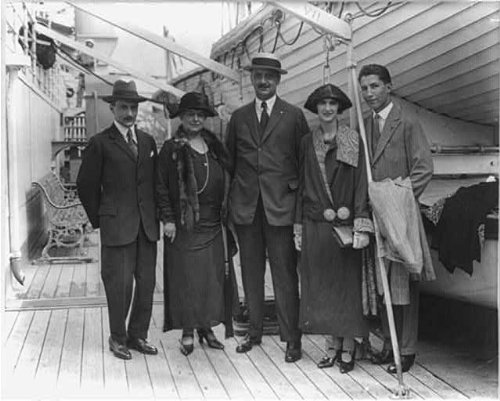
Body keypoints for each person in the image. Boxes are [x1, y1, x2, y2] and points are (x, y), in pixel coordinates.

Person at [225, 52, 309, 362]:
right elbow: (230, 164)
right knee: (251, 272)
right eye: (258, 75)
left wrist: (299, 211)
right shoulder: (239, 118)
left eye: (269, 77)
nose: (263, 81)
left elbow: (303, 165)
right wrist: (229, 207)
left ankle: (292, 339)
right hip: (247, 208)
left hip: (281, 208)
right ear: (251, 78)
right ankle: (254, 331)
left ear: (278, 80)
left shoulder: (294, 116)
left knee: (285, 275)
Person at [358, 64, 434, 373]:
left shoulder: (408, 122)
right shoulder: (363, 125)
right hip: (375, 217)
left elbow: (424, 168)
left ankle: (407, 349)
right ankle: (389, 345)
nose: (369, 93)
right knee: (382, 284)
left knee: (404, 285)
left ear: (389, 87)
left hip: (400, 215)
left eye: (375, 86)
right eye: (364, 88)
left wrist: (397, 200)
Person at [77, 80, 159, 360]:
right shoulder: (100, 143)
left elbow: (153, 183)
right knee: (120, 286)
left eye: (133, 108)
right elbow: (85, 185)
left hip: (146, 227)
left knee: (146, 284)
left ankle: (138, 335)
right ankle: (118, 338)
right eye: (124, 107)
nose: (129, 113)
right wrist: (103, 217)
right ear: (112, 108)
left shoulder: (147, 142)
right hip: (117, 226)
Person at [296, 84, 373, 373]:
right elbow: (302, 184)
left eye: (332, 104)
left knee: (346, 289)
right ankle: (331, 347)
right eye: (322, 104)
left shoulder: (351, 139)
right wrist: (298, 226)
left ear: (339, 108)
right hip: (315, 224)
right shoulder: (307, 142)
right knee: (323, 287)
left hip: (344, 226)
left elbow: (360, 183)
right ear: (316, 108)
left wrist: (361, 223)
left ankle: (348, 348)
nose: (327, 109)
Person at [157, 92, 232, 356]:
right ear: (182, 117)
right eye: (190, 114)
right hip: (184, 224)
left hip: (213, 223)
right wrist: (168, 219)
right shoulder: (172, 148)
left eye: (200, 115)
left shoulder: (215, 146)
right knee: (187, 279)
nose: (196, 119)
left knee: (210, 280)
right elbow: (161, 187)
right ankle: (188, 331)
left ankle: (206, 328)